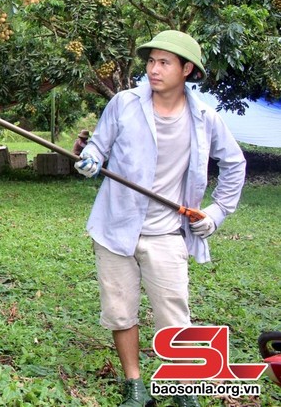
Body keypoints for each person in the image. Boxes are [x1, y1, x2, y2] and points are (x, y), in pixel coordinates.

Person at [74, 30, 246, 407]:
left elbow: (234, 164)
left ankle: (184, 388)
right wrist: (91, 160)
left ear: (187, 70)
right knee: (119, 310)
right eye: (151, 61)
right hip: (114, 227)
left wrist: (216, 213)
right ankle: (136, 385)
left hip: (167, 232)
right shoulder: (124, 103)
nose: (153, 69)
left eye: (164, 62)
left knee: (173, 313)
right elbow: (99, 147)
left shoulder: (204, 117)